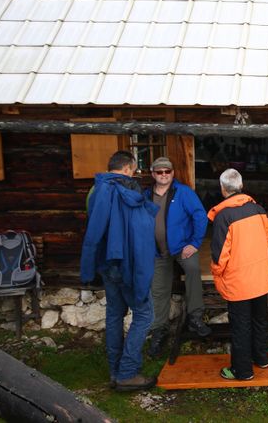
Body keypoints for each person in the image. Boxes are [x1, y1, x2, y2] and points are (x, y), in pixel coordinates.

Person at [80, 150, 159, 392]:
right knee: (144, 315)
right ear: (127, 168)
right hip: (126, 262)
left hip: (106, 263)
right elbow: (137, 232)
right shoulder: (129, 190)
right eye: (133, 169)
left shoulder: (95, 190)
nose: (134, 173)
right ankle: (128, 372)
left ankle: (115, 371)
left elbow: (93, 225)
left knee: (114, 314)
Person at [208, 168, 268, 381]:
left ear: (222, 189)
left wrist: (217, 276)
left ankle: (242, 370)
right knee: (259, 320)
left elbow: (219, 257)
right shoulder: (259, 210)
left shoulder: (223, 216)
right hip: (260, 277)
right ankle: (262, 358)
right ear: (241, 186)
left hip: (238, 282)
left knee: (240, 327)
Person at [145, 156, 211, 357]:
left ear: (173, 173)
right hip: (157, 250)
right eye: (159, 172)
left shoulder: (183, 193)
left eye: (167, 171)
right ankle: (159, 330)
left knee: (193, 270)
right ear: (153, 174)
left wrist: (194, 243)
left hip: (183, 247)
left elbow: (200, 216)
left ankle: (195, 316)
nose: (163, 175)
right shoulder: (146, 195)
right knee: (158, 289)